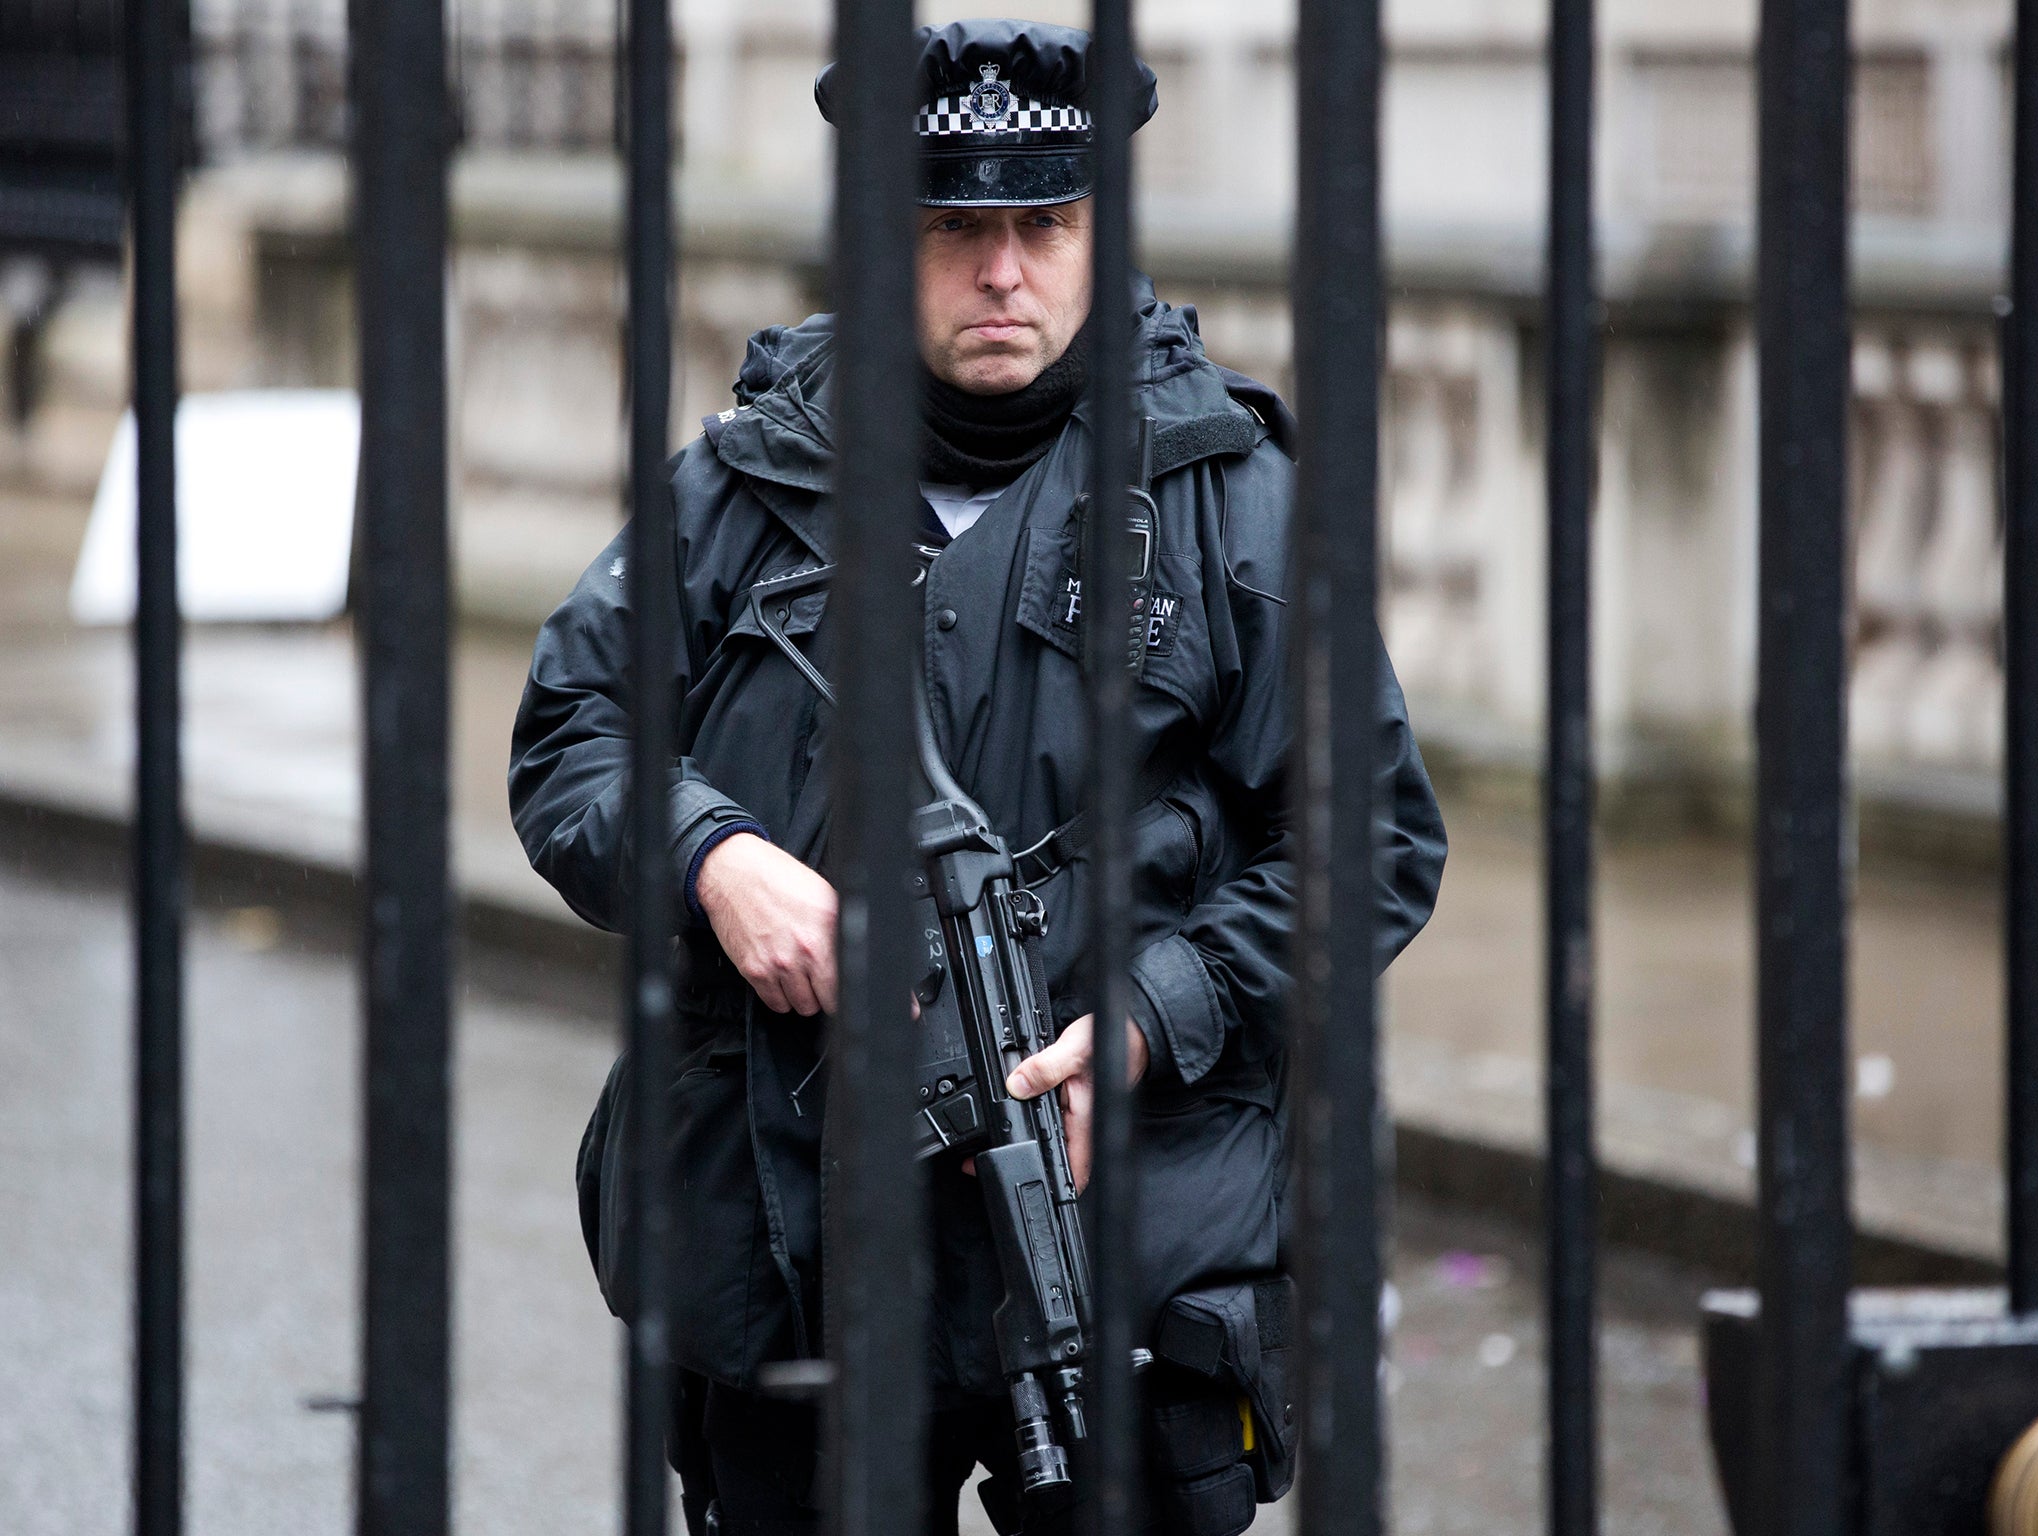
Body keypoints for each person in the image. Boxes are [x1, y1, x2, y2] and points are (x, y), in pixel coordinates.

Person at [509, 18, 1446, 1536]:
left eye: (1043, 225)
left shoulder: (1231, 500)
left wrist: (1154, 1016)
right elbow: (572, 737)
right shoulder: (746, 481)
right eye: (956, 229)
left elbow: (1371, 843)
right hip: (795, 1246)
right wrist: (709, 856)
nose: (1003, 270)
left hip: (1124, 1253)